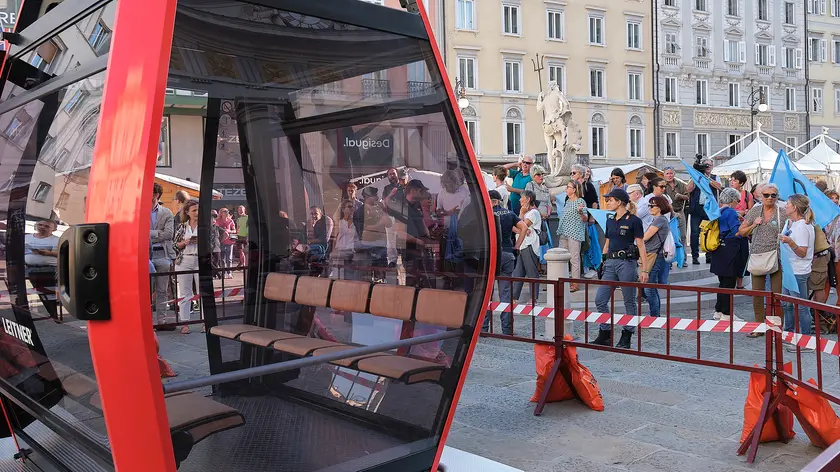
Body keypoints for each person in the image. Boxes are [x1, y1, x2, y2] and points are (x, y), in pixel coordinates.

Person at [591, 188, 648, 349]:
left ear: (620, 202)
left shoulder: (634, 221)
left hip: (627, 263)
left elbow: (641, 245)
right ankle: (605, 333)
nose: (607, 202)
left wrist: (644, 269)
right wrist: (602, 261)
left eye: (610, 200)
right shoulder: (610, 219)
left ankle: (626, 335)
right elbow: (607, 243)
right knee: (600, 299)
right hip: (610, 263)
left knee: (629, 300)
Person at [738, 183, 787, 335]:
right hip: (758, 255)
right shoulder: (755, 211)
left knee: (776, 295)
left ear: (777, 197)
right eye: (766, 195)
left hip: (776, 256)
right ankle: (759, 326)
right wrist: (753, 225)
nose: (770, 198)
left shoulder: (782, 212)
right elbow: (742, 231)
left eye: (773, 195)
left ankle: (776, 326)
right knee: (758, 294)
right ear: (761, 197)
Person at [484, 190, 527, 335]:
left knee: (486, 293)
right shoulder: (509, 213)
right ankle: (507, 329)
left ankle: (484, 328)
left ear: (492, 200)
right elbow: (524, 227)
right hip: (508, 253)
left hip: (490, 255)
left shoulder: (485, 214)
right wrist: (517, 246)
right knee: (505, 293)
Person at [779, 194, 815, 351]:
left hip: (798, 271)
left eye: (787, 204)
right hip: (790, 269)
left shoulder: (802, 227)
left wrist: (791, 242)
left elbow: (803, 252)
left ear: (794, 207)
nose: (785, 206)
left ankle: (806, 340)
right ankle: (789, 334)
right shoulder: (792, 224)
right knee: (787, 304)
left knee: (801, 306)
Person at [709, 188, 748, 322]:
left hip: (719, 249)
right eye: (737, 201)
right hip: (730, 250)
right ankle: (727, 313)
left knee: (722, 283)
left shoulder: (719, 211)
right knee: (729, 284)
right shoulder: (731, 212)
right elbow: (737, 232)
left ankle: (718, 311)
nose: (737, 203)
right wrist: (750, 225)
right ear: (732, 200)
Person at [173, 200, 202, 335]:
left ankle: (204, 322)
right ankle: (185, 323)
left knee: (203, 292)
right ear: (187, 213)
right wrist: (184, 242)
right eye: (194, 210)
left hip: (200, 259)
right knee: (185, 293)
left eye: (198, 210)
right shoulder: (182, 227)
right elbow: (174, 245)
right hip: (184, 259)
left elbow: (214, 243)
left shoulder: (206, 225)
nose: (197, 213)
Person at [686, 158, 722, 265]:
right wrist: (695, 175)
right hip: (696, 209)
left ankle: (709, 255)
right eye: (706, 165)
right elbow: (688, 189)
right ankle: (695, 256)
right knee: (695, 233)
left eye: (709, 165)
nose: (708, 167)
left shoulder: (715, 177)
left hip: (709, 210)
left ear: (712, 167)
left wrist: (707, 178)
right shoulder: (696, 176)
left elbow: (719, 187)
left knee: (709, 232)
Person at [641, 196, 672, 317]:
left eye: (652, 206)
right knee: (651, 287)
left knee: (649, 288)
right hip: (654, 255)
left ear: (659, 207)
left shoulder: (660, 220)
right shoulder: (659, 219)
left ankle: (654, 316)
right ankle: (656, 315)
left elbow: (645, 237)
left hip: (654, 256)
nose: (649, 208)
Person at [150, 183, 175, 327]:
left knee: (162, 290)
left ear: (156, 195)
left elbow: (169, 234)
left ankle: (161, 320)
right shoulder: (138, 211)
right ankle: (147, 321)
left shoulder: (166, 213)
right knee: (146, 290)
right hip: (145, 255)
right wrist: (157, 234)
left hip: (163, 254)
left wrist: (149, 234)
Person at [511, 190, 543, 303]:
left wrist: (521, 214)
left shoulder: (533, 213)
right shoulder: (527, 213)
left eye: (522, 198)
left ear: (528, 199)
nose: (520, 200)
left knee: (531, 272)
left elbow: (520, 226)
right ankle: (514, 298)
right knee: (518, 272)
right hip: (523, 245)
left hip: (529, 245)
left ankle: (533, 298)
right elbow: (515, 227)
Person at [25, 220, 60, 323]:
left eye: (46, 226)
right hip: (28, 268)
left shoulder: (57, 240)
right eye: (40, 224)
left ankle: (53, 315)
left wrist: (45, 253)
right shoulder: (26, 238)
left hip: (48, 269)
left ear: (53, 229)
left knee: (47, 292)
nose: (42, 227)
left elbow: (63, 253)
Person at [557, 180, 587, 292]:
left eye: (568, 187)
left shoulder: (580, 201)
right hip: (564, 232)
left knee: (574, 259)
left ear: (574, 190)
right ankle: (561, 281)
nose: (566, 189)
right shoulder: (568, 201)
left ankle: (576, 283)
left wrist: (580, 212)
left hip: (574, 233)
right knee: (561, 257)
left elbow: (585, 219)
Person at [663, 166, 688, 261]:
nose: (669, 175)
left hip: (679, 211)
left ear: (674, 174)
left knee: (682, 236)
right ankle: (668, 259)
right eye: (667, 173)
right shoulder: (662, 185)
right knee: (669, 236)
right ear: (664, 175)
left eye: (671, 173)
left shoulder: (680, 184)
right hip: (667, 214)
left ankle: (683, 259)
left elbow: (687, 197)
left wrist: (681, 196)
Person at [330, 199, 358, 279]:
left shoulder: (356, 223)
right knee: (338, 273)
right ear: (343, 209)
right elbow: (335, 238)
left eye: (352, 207)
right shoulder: (339, 223)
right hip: (340, 250)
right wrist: (333, 251)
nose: (351, 209)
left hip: (352, 251)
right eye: (349, 207)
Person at [215, 208, 236, 278]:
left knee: (229, 258)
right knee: (222, 258)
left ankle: (229, 273)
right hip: (221, 241)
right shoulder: (217, 220)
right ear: (221, 213)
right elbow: (216, 229)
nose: (227, 212)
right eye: (225, 211)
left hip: (230, 241)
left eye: (227, 211)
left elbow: (234, 230)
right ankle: (223, 273)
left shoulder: (230, 220)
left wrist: (229, 231)